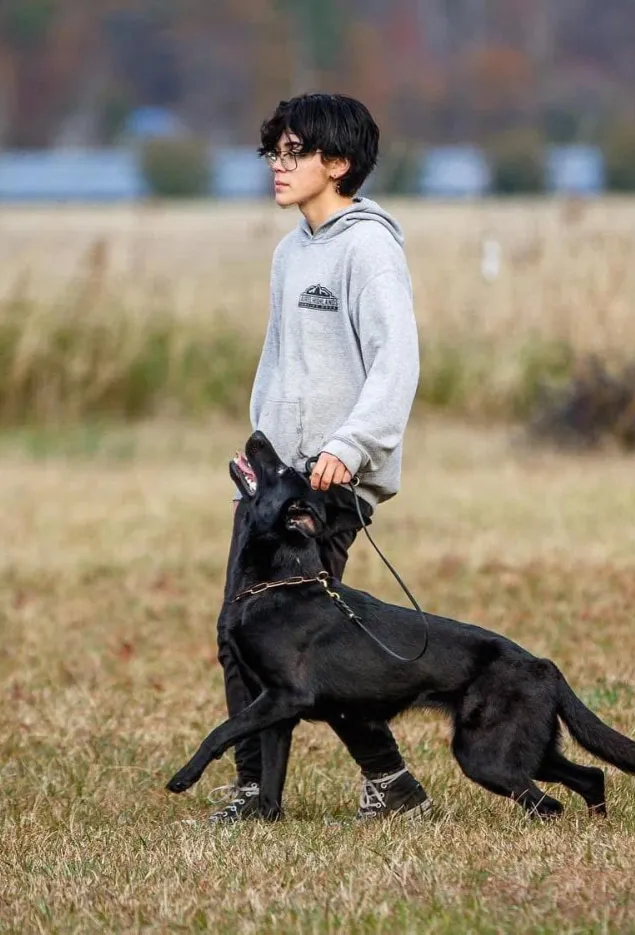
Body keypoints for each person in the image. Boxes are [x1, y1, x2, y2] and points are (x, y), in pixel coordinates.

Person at [207, 92, 432, 824]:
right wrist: (262, 444)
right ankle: (270, 789)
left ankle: (364, 786)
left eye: (295, 152)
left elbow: (396, 364)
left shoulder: (369, 249)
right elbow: (281, 361)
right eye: (275, 150)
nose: (279, 164)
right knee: (237, 633)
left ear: (337, 163)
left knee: (300, 647)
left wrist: (347, 446)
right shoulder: (290, 250)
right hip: (277, 483)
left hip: (332, 485)